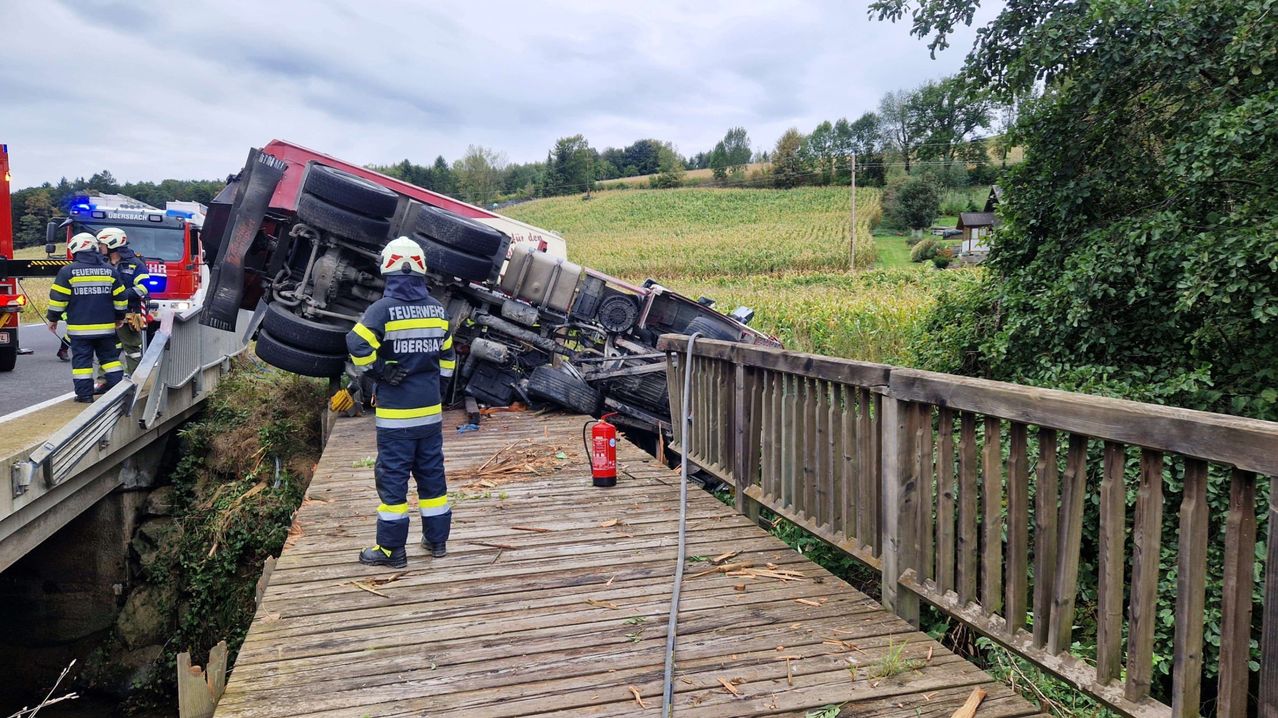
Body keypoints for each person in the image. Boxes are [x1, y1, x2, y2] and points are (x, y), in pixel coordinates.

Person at [346, 237, 456, 568]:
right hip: (430, 414)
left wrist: (381, 371)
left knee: (393, 480)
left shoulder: (381, 311)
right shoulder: (437, 311)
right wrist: (437, 388)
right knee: (432, 475)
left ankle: (392, 550)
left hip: (397, 417)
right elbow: (448, 358)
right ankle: (436, 541)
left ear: (388, 270)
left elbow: (356, 344)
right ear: (421, 271)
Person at [46, 233, 126, 403]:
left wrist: (53, 319)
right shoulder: (109, 270)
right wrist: (120, 317)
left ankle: (85, 396)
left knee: (82, 363)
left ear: (76, 249)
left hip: (80, 330)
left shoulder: (68, 271)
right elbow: (120, 298)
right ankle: (119, 392)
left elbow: (58, 299)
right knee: (110, 360)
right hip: (106, 329)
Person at [97, 227, 151, 374]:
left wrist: (121, 295)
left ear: (112, 244)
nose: (100, 247)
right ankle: (105, 378)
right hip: (106, 313)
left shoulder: (135, 264)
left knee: (131, 348)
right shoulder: (101, 263)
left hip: (128, 313)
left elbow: (144, 287)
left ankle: (135, 377)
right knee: (107, 347)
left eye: (102, 244)